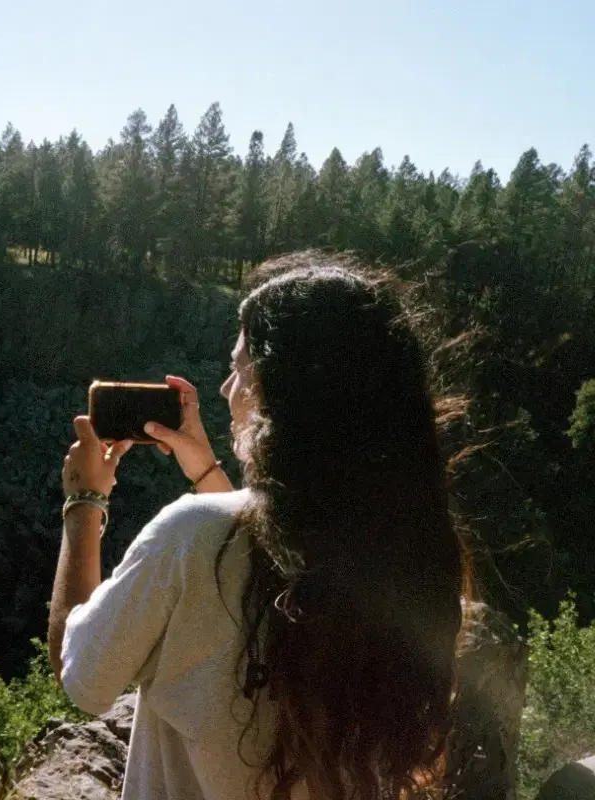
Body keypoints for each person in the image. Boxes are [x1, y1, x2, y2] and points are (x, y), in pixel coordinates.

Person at [48, 251, 471, 800]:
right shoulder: (405, 554)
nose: (225, 389)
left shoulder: (191, 536)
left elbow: (79, 675)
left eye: (241, 369)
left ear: (283, 394)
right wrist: (207, 470)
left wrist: (83, 502)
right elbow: (272, 555)